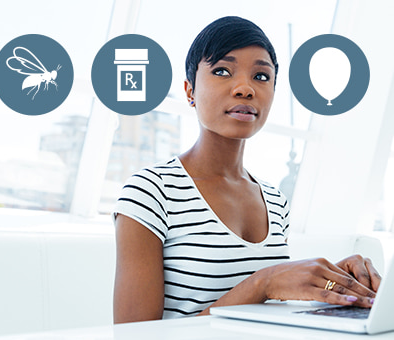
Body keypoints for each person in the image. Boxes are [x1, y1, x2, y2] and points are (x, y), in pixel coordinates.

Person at [112, 16, 382, 324]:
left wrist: (333, 281)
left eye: (261, 77)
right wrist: (263, 282)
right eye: (222, 71)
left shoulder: (275, 201)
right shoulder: (151, 192)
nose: (245, 89)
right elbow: (133, 334)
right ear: (190, 91)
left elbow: (262, 312)